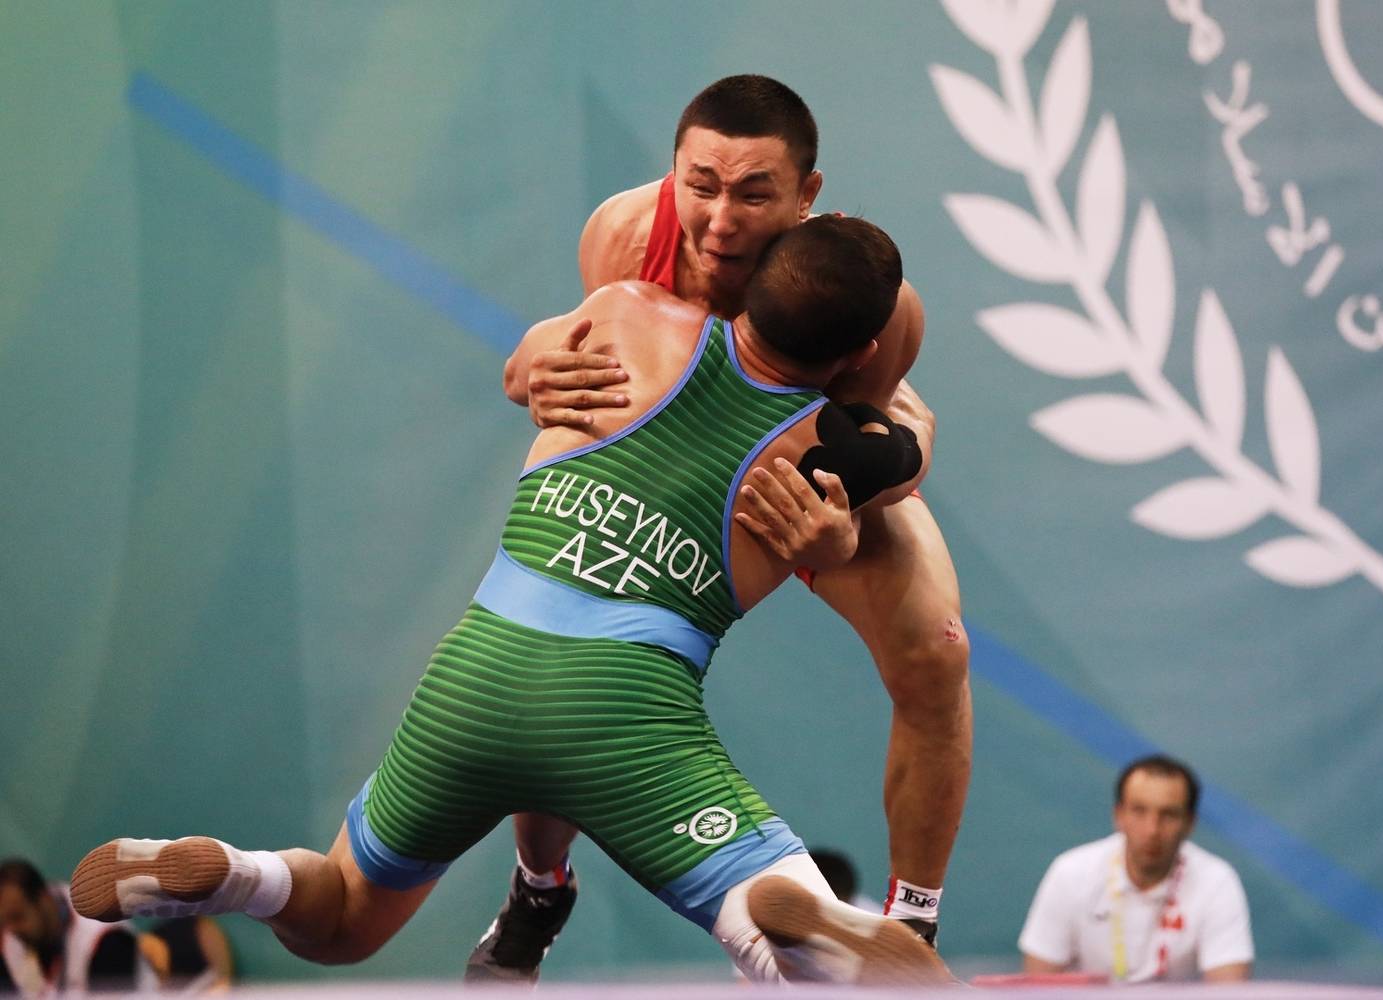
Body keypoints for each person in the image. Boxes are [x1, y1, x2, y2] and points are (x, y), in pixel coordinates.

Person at [70, 216, 953, 986]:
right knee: (772, 928)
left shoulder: (622, 313)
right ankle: (791, 919)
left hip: (476, 676)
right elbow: (908, 449)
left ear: (753, 283)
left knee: (340, 918)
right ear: (860, 356)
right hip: (622, 713)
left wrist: (532, 366)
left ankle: (238, 873)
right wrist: (874, 466)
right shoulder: (834, 456)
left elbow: (527, 361)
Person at [473, 71, 971, 982]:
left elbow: (877, 460)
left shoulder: (879, 303)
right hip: (668, 460)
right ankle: (540, 887)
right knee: (557, 646)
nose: (719, 222)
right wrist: (533, 371)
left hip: (792, 482)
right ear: (673, 173)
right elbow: (578, 380)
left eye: (753, 196)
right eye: (699, 187)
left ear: (805, 196)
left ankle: (910, 929)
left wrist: (851, 516)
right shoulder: (626, 236)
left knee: (938, 651)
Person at [1017, 755, 1254, 983]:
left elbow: (1230, 991)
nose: (1152, 830)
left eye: (1168, 815)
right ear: (1118, 815)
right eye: (1139, 811)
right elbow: (1038, 989)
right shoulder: (1070, 874)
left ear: (1190, 823)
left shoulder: (1217, 882)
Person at [0, 858, 158, 995]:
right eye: (4, 922)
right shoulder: (12, 939)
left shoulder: (107, 939)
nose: (12, 930)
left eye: (17, 917)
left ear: (43, 899)